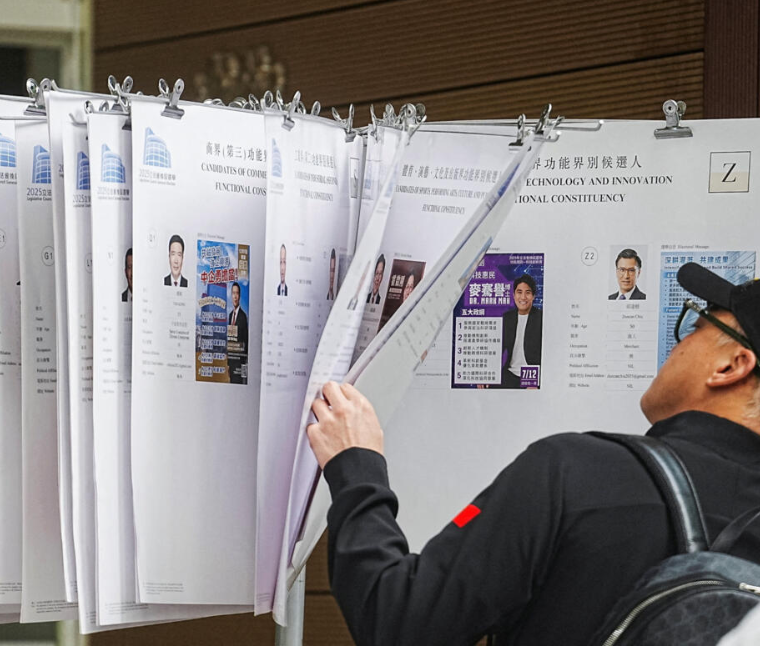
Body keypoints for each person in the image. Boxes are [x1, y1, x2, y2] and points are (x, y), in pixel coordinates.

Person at [307, 262, 760, 646]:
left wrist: (355, 464)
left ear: (731, 365)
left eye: (697, 325)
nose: (679, 343)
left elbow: (398, 621)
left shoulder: (576, 474)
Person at [499, 274, 542, 388]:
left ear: (533, 296)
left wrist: (536, 381)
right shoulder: (507, 318)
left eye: (527, 292)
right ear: (514, 295)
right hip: (509, 373)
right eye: (519, 292)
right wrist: (486, 376)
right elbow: (497, 349)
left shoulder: (541, 318)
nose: (523, 297)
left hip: (532, 375)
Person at [228, 281, 248, 384]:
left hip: (240, 364)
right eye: (233, 293)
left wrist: (244, 366)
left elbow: (245, 341)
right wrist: (228, 363)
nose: (235, 296)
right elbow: (230, 339)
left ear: (239, 296)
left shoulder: (243, 316)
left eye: (237, 293)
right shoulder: (230, 315)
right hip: (231, 364)